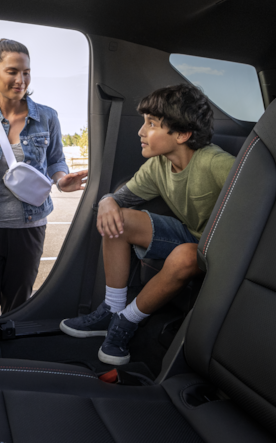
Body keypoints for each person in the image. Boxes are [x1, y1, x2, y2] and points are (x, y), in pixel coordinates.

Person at [60, 83, 235, 365]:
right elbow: (119, 199)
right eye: (144, 123)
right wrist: (107, 201)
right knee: (119, 219)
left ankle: (126, 322)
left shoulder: (216, 163)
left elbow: (258, 203)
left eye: (151, 124)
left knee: (187, 255)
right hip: (190, 235)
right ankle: (112, 310)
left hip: (222, 250)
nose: (141, 132)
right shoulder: (157, 166)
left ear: (182, 134)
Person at [0, 39, 88, 312]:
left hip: (29, 227)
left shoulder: (47, 117)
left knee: (18, 304)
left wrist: (62, 180)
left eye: (26, 72)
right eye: (12, 71)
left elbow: (55, 160)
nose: (21, 80)